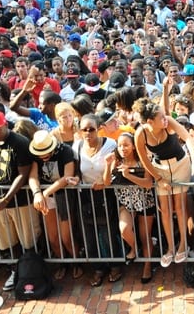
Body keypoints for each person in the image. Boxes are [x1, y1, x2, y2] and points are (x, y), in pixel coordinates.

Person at [0, 110, 42, 291]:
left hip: (20, 201)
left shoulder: (20, 142)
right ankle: (15, 271)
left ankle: (32, 273)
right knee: (7, 241)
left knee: (28, 240)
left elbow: (23, 174)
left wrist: (6, 199)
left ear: (5, 125)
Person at [133, 97, 194, 267]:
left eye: (165, 115)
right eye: (161, 117)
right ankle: (170, 248)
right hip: (159, 169)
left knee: (180, 206)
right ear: (150, 121)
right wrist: (158, 179)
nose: (165, 118)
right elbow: (144, 160)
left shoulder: (169, 122)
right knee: (165, 209)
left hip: (180, 165)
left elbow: (188, 138)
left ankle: (183, 245)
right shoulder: (140, 133)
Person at [74, 113, 121, 287]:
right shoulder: (77, 146)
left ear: (99, 129)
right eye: (84, 130)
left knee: (108, 232)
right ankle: (98, 268)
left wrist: (104, 180)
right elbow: (76, 170)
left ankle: (116, 265)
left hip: (106, 193)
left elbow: (116, 169)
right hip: (86, 195)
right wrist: (75, 179)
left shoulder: (111, 144)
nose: (88, 133)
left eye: (91, 129)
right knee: (89, 235)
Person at [27, 130, 82, 280]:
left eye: (46, 152)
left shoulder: (65, 151)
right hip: (47, 196)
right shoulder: (35, 156)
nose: (43, 156)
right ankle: (62, 263)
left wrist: (45, 192)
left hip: (63, 194)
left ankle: (76, 262)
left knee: (66, 237)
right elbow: (33, 176)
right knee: (53, 237)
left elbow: (67, 176)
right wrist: (37, 193)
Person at [103, 132, 156, 284]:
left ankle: (147, 266)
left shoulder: (143, 160)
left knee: (145, 236)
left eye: (126, 145)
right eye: (120, 145)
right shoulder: (116, 161)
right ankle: (134, 247)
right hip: (126, 203)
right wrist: (107, 165)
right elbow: (106, 182)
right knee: (124, 229)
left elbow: (148, 183)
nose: (122, 148)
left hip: (144, 201)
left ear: (133, 146)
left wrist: (129, 175)